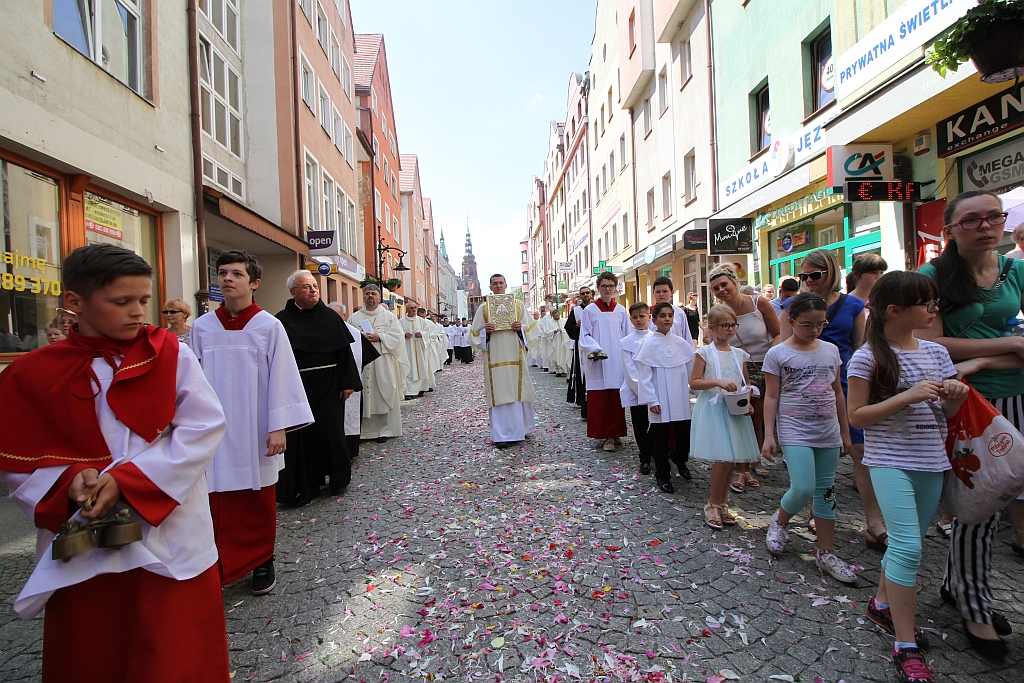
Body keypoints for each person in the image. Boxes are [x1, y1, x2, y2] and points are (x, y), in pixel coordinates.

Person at [0, 243, 230, 681]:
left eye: (143, 300)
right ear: (74, 303)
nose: (138, 312)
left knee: (174, 650)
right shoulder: (34, 372)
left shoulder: (170, 354)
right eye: (121, 302)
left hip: (169, 529)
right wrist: (67, 480)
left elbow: (203, 427)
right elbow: (18, 460)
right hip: (85, 536)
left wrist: (132, 479)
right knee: (95, 650)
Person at [847, 271, 968, 682]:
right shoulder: (866, 357)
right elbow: (857, 416)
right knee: (909, 548)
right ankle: (905, 643)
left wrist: (956, 397)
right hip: (889, 461)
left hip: (930, 460)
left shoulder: (935, 353)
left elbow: (947, 416)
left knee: (906, 544)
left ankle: (881, 604)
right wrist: (906, 396)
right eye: (926, 303)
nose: (933, 309)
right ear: (895, 311)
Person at [917, 189, 1022, 656]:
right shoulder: (933, 277)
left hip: (1016, 392)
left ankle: (956, 583)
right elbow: (930, 345)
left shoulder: (1016, 270)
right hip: (967, 401)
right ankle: (975, 608)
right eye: (972, 220)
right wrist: (1012, 347)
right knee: (981, 503)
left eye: (993, 217)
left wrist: (993, 354)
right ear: (951, 229)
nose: (986, 226)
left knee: (1005, 495)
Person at [190, 250, 313, 595]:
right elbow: (191, 380)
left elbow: (283, 377)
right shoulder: (201, 328)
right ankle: (218, 560)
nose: (227, 279)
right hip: (214, 429)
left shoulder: (268, 326)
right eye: (222, 273)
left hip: (255, 428)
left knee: (257, 496)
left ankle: (262, 559)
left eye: (237, 274)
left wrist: (279, 426)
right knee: (216, 498)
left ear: (255, 283)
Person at [779, 249, 879, 548]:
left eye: (814, 275)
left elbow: (860, 346)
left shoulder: (853, 306)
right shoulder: (792, 305)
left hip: (845, 383)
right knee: (812, 448)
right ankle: (814, 509)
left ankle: (874, 521)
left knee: (859, 449)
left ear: (831, 272)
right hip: (804, 387)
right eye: (803, 276)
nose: (808, 281)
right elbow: (782, 346)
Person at [762, 292, 856, 584]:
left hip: (826, 429)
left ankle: (826, 552)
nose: (814, 330)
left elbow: (838, 392)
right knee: (803, 487)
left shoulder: (830, 350)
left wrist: (845, 430)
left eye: (820, 324)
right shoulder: (777, 353)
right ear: (791, 322)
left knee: (826, 491)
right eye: (807, 324)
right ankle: (779, 521)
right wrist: (768, 435)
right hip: (794, 428)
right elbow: (772, 395)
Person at [275, 271, 362, 507]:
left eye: (315, 286)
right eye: (307, 287)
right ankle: (306, 485)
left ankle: (338, 480)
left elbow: (344, 353)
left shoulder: (330, 318)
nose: (313, 290)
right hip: (298, 386)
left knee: (330, 432)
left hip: (329, 385)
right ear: (294, 292)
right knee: (302, 438)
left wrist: (347, 383)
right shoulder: (281, 321)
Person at [707, 263, 779, 491]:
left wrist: (772, 359)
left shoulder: (759, 303)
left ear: (734, 283)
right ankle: (741, 469)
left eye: (724, 285)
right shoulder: (720, 313)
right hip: (738, 369)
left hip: (765, 365)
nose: (721, 291)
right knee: (740, 418)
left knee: (757, 418)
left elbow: (777, 334)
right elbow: (715, 344)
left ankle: (753, 458)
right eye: (716, 288)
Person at [690, 304, 760, 529]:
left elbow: (746, 383)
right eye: (725, 326)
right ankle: (713, 502)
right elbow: (694, 382)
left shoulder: (739, 354)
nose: (730, 330)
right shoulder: (705, 353)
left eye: (733, 325)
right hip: (714, 410)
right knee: (722, 459)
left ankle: (722, 503)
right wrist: (717, 382)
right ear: (711, 328)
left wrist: (747, 400)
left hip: (735, 409)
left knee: (731, 459)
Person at [470, 274, 537, 448]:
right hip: (495, 359)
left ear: (506, 285)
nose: (498, 286)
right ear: (490, 287)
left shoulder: (518, 305)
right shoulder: (484, 309)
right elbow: (473, 335)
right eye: (495, 284)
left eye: (501, 283)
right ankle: (501, 435)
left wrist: (520, 329)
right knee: (499, 393)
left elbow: (532, 331)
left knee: (517, 391)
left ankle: (520, 429)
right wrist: (486, 331)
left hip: (516, 356)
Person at [635, 302, 696, 492]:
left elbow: (691, 371)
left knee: (683, 436)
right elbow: (644, 377)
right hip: (659, 399)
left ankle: (680, 460)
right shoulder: (648, 345)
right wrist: (652, 400)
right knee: (660, 440)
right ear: (654, 320)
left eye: (670, 315)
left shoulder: (681, 343)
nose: (667, 319)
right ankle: (663, 474)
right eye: (662, 316)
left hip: (680, 397)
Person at [348, 285, 409, 443]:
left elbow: (397, 338)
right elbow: (348, 337)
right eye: (367, 293)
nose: (370, 296)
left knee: (384, 391)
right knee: (363, 395)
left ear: (379, 297)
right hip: (362, 362)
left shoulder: (389, 317)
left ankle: (385, 430)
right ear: (363, 297)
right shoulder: (354, 318)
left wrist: (380, 337)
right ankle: (363, 431)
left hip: (382, 360)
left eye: (373, 294)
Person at [580, 272, 633, 452]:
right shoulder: (590, 310)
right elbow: (585, 335)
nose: (607, 289)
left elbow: (627, 335)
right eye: (604, 286)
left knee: (616, 398)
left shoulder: (620, 310)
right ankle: (606, 435)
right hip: (599, 361)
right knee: (601, 398)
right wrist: (595, 349)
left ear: (615, 288)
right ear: (598, 288)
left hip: (617, 360)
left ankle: (616, 432)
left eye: (611, 286)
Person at [327, 301, 381, 462]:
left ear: (344, 316)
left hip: (350, 383)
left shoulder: (355, 334)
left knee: (350, 416)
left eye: (336, 315)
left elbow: (368, 355)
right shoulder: (323, 331)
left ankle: (350, 449)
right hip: (328, 385)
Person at [620, 302, 654, 475]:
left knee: (656, 425)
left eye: (642, 316)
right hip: (637, 391)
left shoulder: (656, 338)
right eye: (635, 317)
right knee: (640, 424)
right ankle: (645, 457)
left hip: (656, 391)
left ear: (649, 317)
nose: (639, 320)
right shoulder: (626, 342)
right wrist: (644, 392)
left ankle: (657, 452)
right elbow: (630, 370)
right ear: (630, 319)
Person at [566, 286, 594, 417]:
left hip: (596, 345)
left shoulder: (597, 308)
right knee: (582, 375)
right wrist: (576, 326)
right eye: (583, 293)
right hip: (581, 348)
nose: (585, 295)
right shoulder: (576, 310)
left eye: (587, 293)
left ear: (591, 294)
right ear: (580, 296)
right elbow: (568, 328)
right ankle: (585, 407)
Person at [649, 276, 696, 348]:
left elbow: (686, 336)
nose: (661, 294)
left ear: (672, 292)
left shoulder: (679, 313)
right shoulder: (648, 314)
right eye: (658, 292)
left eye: (665, 291)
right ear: (653, 293)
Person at [401, 303, 433, 399]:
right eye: (411, 308)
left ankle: (421, 389)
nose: (414, 309)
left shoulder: (422, 321)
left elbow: (428, 332)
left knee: (421, 367)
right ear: (407, 309)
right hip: (408, 349)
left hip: (420, 348)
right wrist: (404, 335)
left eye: (415, 307)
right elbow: (397, 333)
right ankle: (409, 392)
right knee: (409, 369)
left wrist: (422, 334)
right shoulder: (401, 321)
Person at [548, 308, 572, 376]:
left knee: (563, 354)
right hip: (555, 341)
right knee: (556, 354)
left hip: (563, 340)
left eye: (558, 316)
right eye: (555, 316)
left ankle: (564, 370)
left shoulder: (564, 320)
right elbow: (546, 332)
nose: (557, 317)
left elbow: (567, 329)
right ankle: (558, 371)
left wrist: (563, 331)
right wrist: (553, 331)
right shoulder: (549, 322)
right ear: (552, 315)